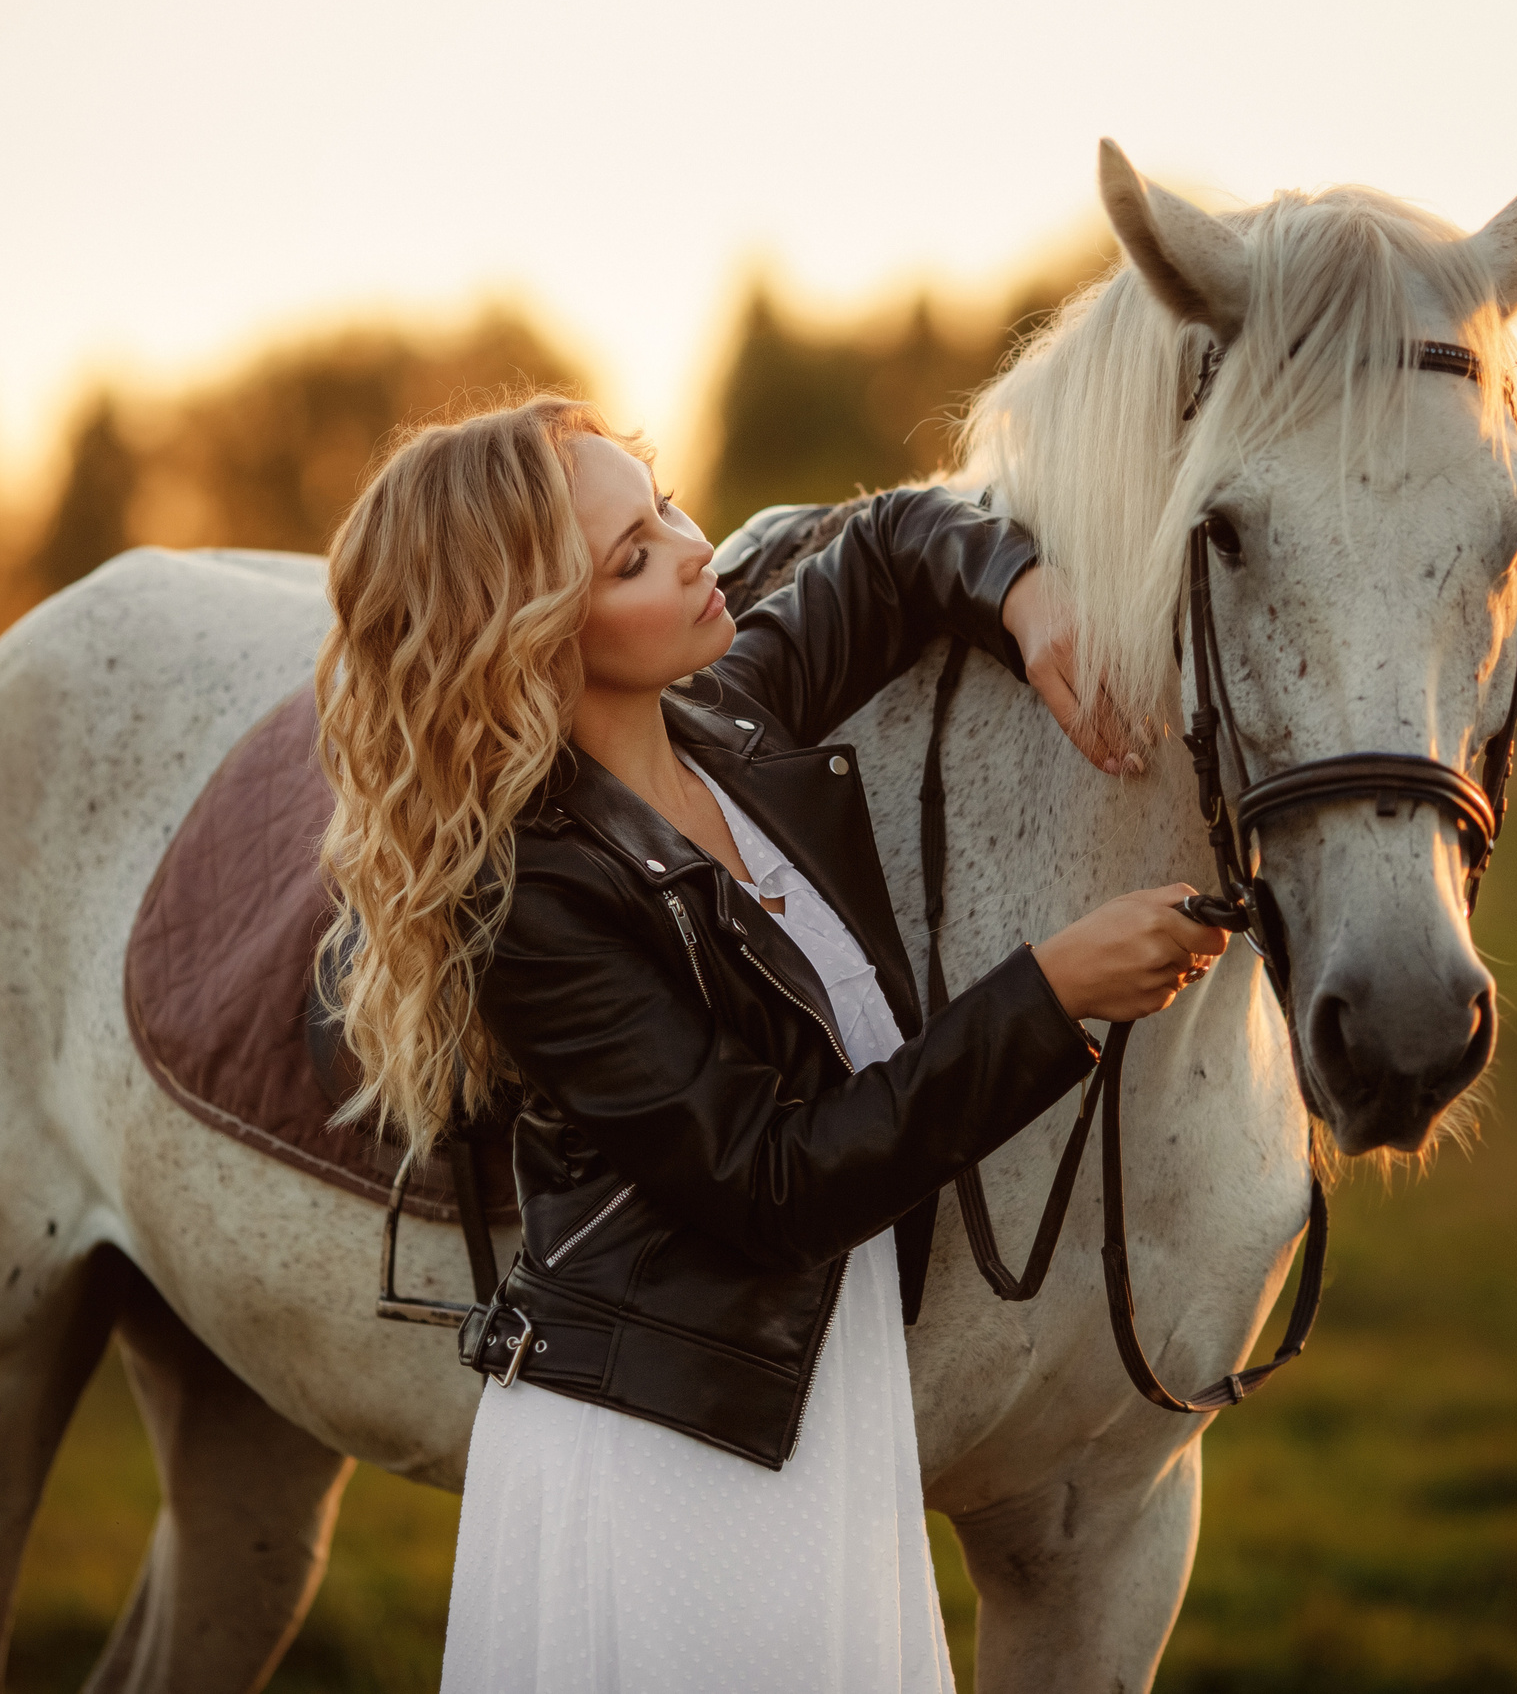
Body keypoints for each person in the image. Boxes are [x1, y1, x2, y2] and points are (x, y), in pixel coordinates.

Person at [311, 394, 1225, 1693]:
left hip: (814, 1410)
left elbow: (891, 546)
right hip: (669, 1453)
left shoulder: (731, 721)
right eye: (631, 558)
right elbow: (768, 1184)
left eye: (664, 505)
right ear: (528, 639)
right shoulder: (535, 898)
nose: (695, 548)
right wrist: (1052, 992)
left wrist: (1019, 590)